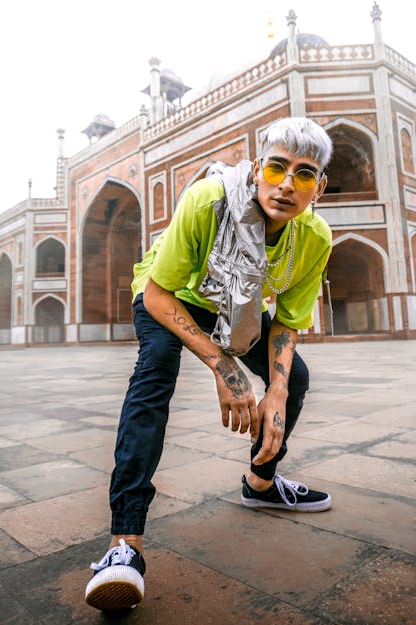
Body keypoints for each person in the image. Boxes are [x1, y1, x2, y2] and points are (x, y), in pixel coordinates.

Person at [85, 116, 334, 611]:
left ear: (319, 187)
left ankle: (261, 484)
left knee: (296, 377)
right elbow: (157, 297)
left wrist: (277, 393)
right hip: (169, 291)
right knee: (155, 372)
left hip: (235, 305)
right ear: (258, 167)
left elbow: (285, 322)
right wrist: (226, 369)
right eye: (276, 167)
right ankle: (124, 545)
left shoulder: (314, 238)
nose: (286, 184)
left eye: (303, 174)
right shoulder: (209, 199)